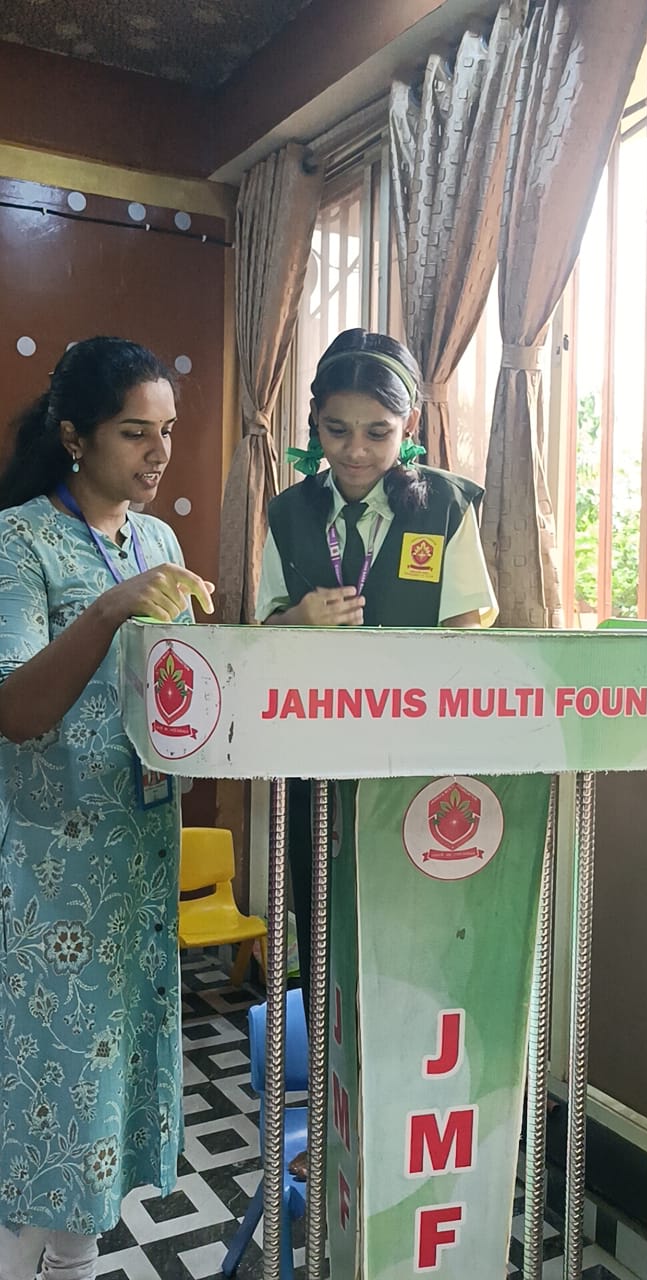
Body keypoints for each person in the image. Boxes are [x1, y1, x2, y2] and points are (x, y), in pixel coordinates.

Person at [255, 327, 498, 1177]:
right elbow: (259, 636)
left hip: (418, 774)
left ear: (410, 429)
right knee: (325, 948)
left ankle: (405, 1140)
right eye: (336, 430)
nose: (355, 451)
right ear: (313, 424)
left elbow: (469, 628)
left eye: (377, 432)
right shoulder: (288, 513)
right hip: (317, 771)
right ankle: (334, 1141)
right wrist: (297, 622)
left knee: (412, 949)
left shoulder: (447, 507)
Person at [0, 337, 214, 1280]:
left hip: (138, 861)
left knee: (98, 1115)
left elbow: (182, 689)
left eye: (168, 430)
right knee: (42, 1106)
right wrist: (109, 609)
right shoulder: (19, 541)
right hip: (51, 875)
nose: (160, 453)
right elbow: (15, 711)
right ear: (74, 436)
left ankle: (78, 1262)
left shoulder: (157, 543)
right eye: (135, 432)